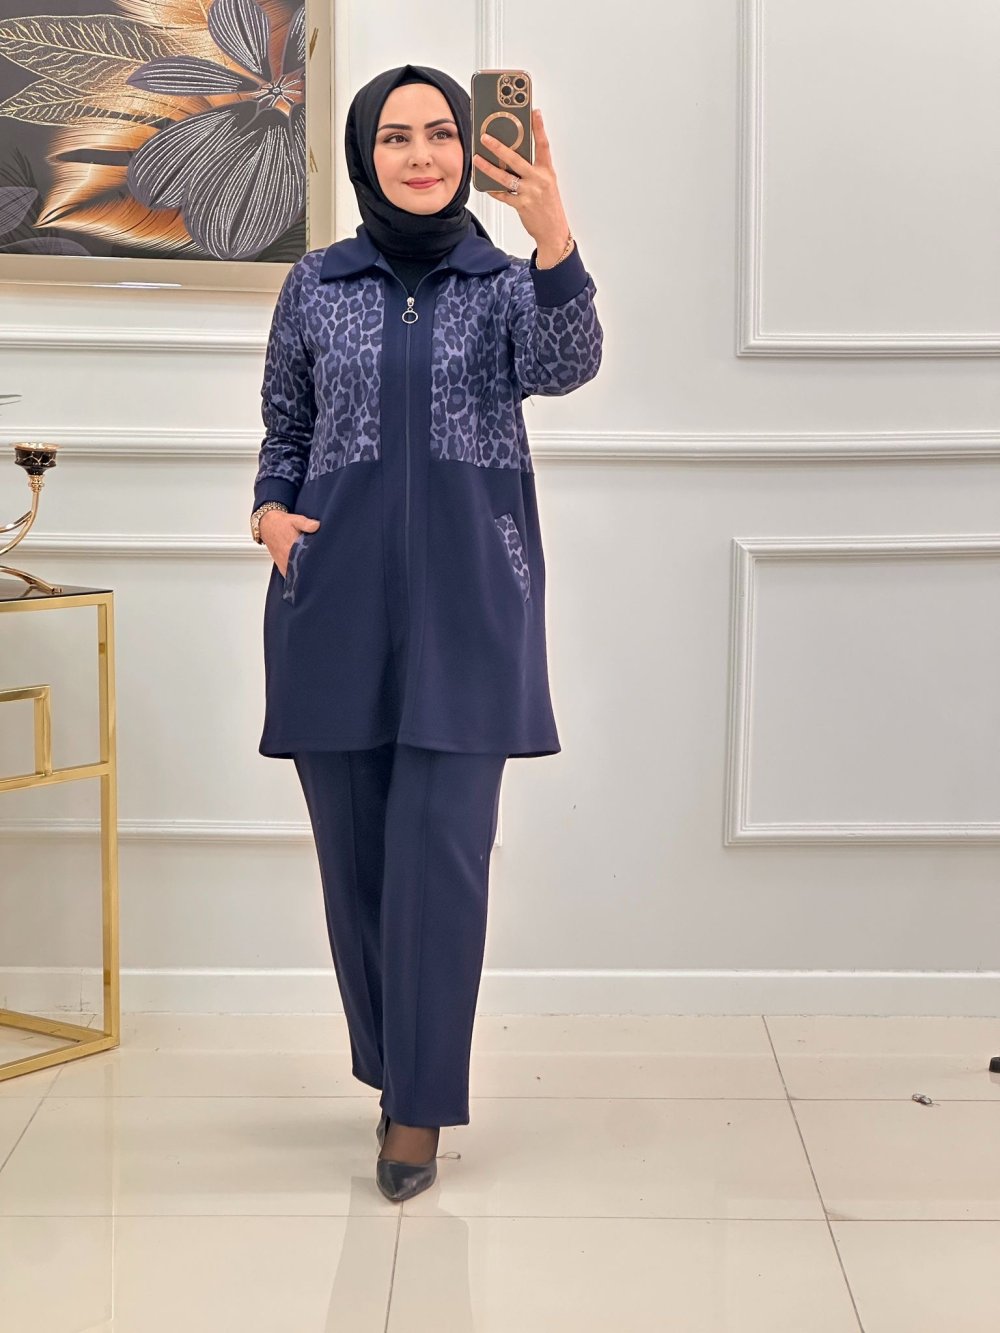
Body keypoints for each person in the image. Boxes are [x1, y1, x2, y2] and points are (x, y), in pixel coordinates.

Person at [249, 63, 603, 1203]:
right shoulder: (316, 282)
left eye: (441, 133)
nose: (420, 154)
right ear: (366, 156)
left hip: (469, 601)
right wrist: (269, 511)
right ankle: (396, 1065)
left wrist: (553, 234)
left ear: (468, 150)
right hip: (331, 596)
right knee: (356, 868)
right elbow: (286, 421)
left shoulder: (505, 283)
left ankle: (418, 1107)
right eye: (395, 136)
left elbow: (568, 365)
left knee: (440, 863)